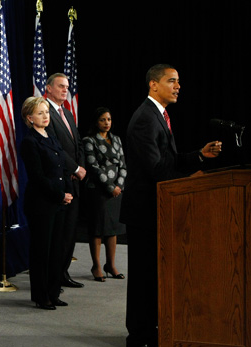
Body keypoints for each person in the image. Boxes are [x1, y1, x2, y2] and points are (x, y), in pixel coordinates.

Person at [120, 64, 222, 347]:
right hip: (145, 211)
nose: (178, 86)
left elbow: (169, 160)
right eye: (172, 81)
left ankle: (151, 330)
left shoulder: (159, 115)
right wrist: (189, 178)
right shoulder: (145, 118)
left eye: (179, 82)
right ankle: (139, 336)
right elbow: (155, 168)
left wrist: (199, 157)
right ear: (154, 85)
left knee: (152, 275)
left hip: (157, 209)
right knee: (142, 277)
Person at [19, 97, 73, 310]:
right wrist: (60, 194)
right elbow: (37, 177)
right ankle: (42, 296)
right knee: (42, 251)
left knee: (56, 250)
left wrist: (67, 191)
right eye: (40, 113)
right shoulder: (29, 142)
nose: (45, 116)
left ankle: (53, 291)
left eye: (47, 112)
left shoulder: (51, 137)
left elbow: (61, 168)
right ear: (29, 118)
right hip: (41, 204)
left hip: (59, 202)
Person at [45, 73, 86, 289]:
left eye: (67, 86)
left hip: (74, 182)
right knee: (59, 235)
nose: (65, 90)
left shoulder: (68, 113)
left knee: (70, 233)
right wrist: (75, 168)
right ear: (49, 88)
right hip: (59, 183)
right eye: (61, 86)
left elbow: (77, 143)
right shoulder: (45, 112)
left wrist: (80, 167)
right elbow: (55, 146)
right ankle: (54, 277)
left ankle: (63, 273)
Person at [82, 107, 127, 282]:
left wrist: (119, 186)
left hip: (116, 191)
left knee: (112, 229)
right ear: (96, 122)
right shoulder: (89, 140)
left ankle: (111, 265)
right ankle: (97, 266)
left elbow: (123, 165)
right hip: (99, 191)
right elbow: (93, 167)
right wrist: (110, 187)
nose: (106, 123)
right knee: (98, 229)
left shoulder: (116, 139)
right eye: (102, 120)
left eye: (108, 119)